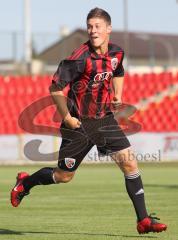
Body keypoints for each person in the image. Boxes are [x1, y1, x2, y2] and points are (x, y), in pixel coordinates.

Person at [11, 7, 167, 234]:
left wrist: (118, 95)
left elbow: (119, 71)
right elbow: (55, 88)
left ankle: (143, 221)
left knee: (130, 164)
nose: (93, 31)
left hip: (104, 120)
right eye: (90, 26)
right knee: (64, 176)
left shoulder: (117, 53)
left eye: (97, 26)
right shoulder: (79, 58)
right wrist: (67, 117)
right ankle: (25, 183)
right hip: (79, 124)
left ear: (108, 29)